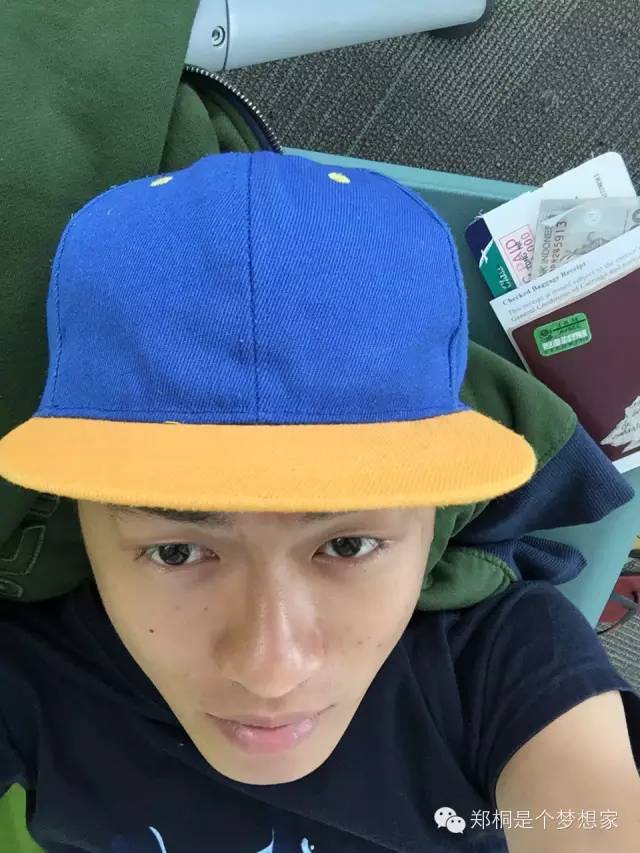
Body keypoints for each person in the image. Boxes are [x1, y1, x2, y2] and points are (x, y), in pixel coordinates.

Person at [0, 151, 638, 853]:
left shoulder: (507, 667)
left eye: (348, 544)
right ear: (79, 514)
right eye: (176, 551)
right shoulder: (29, 671)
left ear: (434, 516)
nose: (271, 670)